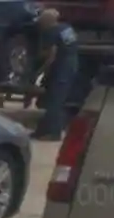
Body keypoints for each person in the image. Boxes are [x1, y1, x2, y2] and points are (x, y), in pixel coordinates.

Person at [33, 7, 80, 141]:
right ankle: (41, 131)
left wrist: (40, 71)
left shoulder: (51, 31)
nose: (40, 24)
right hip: (72, 64)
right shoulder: (66, 27)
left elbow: (51, 55)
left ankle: (54, 133)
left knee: (55, 102)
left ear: (47, 21)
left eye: (42, 21)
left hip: (61, 68)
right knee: (55, 100)